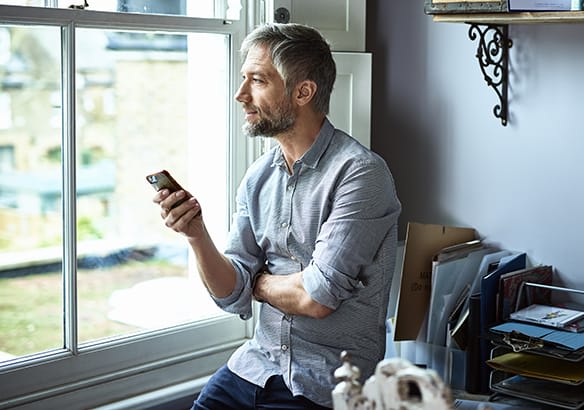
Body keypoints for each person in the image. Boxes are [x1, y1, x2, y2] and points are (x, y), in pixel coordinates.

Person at [152, 23, 401, 409]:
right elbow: (231, 296)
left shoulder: (361, 174)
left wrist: (257, 282)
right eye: (243, 79)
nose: (241, 94)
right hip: (254, 365)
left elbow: (317, 297)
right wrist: (196, 235)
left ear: (303, 92)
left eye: (258, 81)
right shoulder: (258, 177)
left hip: (327, 381)